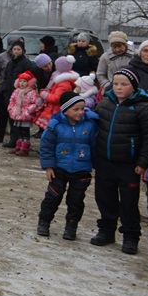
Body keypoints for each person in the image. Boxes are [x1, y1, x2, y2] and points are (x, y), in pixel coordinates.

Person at [90, 69, 148, 255]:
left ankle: (131, 236)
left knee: (128, 202)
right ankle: (106, 230)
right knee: (105, 198)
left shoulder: (145, 108)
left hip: (129, 164)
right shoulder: (105, 104)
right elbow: (94, 126)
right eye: (116, 83)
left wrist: (143, 162)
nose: (118, 87)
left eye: (124, 84)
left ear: (133, 86)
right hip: (105, 162)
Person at [36, 92, 98, 240]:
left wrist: (97, 165)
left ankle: (71, 226)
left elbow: (95, 146)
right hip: (59, 169)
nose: (80, 112)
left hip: (82, 170)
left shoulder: (90, 125)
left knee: (76, 200)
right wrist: (49, 166)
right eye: (76, 109)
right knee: (52, 197)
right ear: (65, 110)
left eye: (82, 109)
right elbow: (46, 146)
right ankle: (44, 221)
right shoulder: (55, 124)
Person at [0, 38, 30, 147]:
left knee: (18, 118)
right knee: (6, 115)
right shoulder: (10, 62)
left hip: (21, 94)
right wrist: (3, 85)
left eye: (18, 49)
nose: (16, 51)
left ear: (22, 50)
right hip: (8, 92)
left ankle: (18, 140)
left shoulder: (26, 62)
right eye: (14, 49)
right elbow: (5, 75)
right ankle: (5, 137)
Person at [33, 56, 79, 131]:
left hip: (55, 110)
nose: (55, 67)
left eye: (57, 65)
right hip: (53, 110)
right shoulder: (58, 78)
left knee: (52, 133)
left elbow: (56, 98)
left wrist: (44, 94)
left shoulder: (63, 83)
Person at [7, 71, 41, 156]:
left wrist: (29, 110)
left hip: (26, 114)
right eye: (21, 81)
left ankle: (25, 148)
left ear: (29, 82)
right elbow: (12, 100)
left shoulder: (32, 92)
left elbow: (35, 103)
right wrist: (11, 108)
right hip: (17, 113)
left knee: (25, 131)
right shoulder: (16, 91)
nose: (22, 83)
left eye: (25, 81)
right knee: (18, 130)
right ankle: (18, 147)